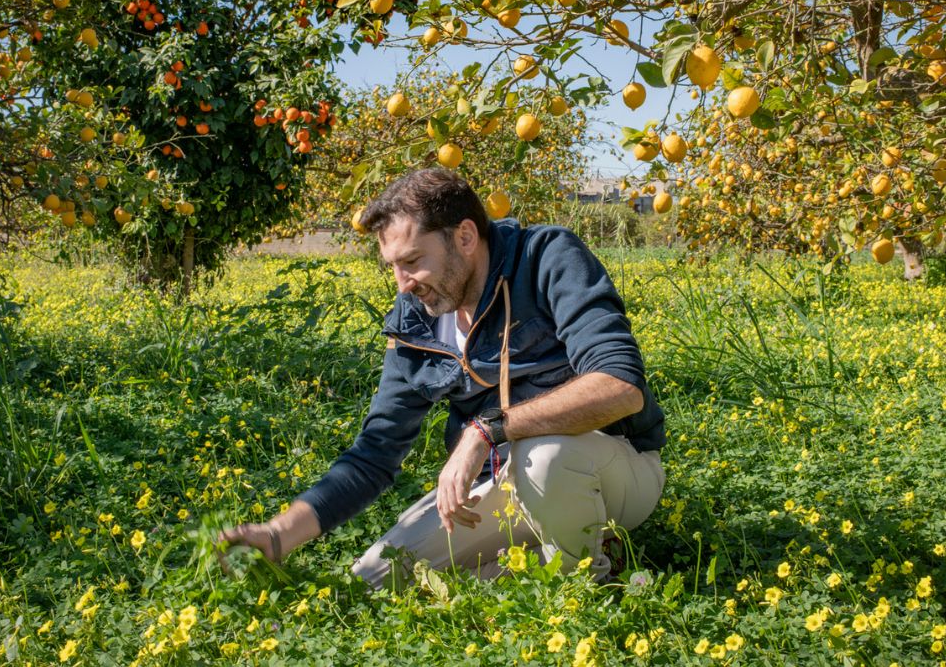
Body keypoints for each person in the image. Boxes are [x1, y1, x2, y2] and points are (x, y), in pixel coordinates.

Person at [218, 169, 666, 587]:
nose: (402, 284)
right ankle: (540, 566)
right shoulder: (415, 318)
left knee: (543, 455)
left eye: (412, 260)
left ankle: (587, 580)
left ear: (465, 236)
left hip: (607, 469)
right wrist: (278, 535)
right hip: (499, 484)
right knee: (377, 579)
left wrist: (486, 430)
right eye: (392, 265)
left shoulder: (546, 258)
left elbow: (619, 386)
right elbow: (375, 451)